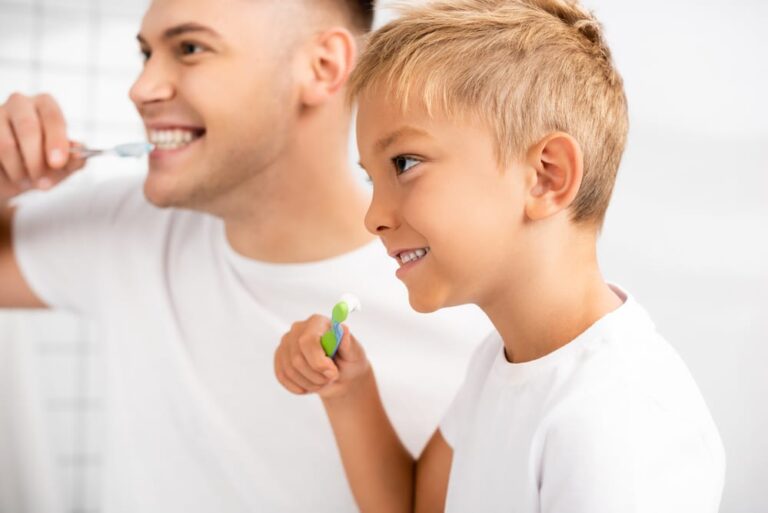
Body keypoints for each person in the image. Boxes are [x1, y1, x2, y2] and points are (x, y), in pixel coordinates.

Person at [0, 0, 489, 511]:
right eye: (145, 53)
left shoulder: (474, 311)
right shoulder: (125, 228)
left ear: (322, 67)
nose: (141, 88)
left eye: (190, 49)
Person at [275, 0, 726, 511]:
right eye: (370, 177)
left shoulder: (622, 421)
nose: (373, 216)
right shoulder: (502, 361)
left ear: (546, 176)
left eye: (404, 163)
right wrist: (349, 391)